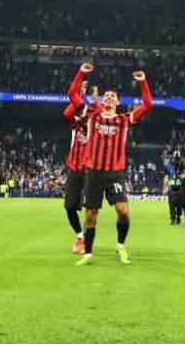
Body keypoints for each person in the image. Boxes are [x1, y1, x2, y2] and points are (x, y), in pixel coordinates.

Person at [65, 63, 153, 266]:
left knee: (123, 211)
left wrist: (142, 82)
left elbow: (148, 104)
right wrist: (81, 72)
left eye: (113, 96)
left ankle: (121, 245)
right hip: (94, 173)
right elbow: (72, 95)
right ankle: (88, 254)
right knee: (91, 216)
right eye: (106, 95)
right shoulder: (91, 116)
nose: (109, 97)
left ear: (118, 102)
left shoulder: (125, 119)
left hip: (115, 173)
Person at [62, 72, 98, 253]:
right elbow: (67, 112)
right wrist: (81, 95)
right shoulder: (76, 125)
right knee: (69, 207)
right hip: (75, 169)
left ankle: (86, 240)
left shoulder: (97, 128)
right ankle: (80, 236)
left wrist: (92, 100)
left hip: (91, 171)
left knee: (90, 209)